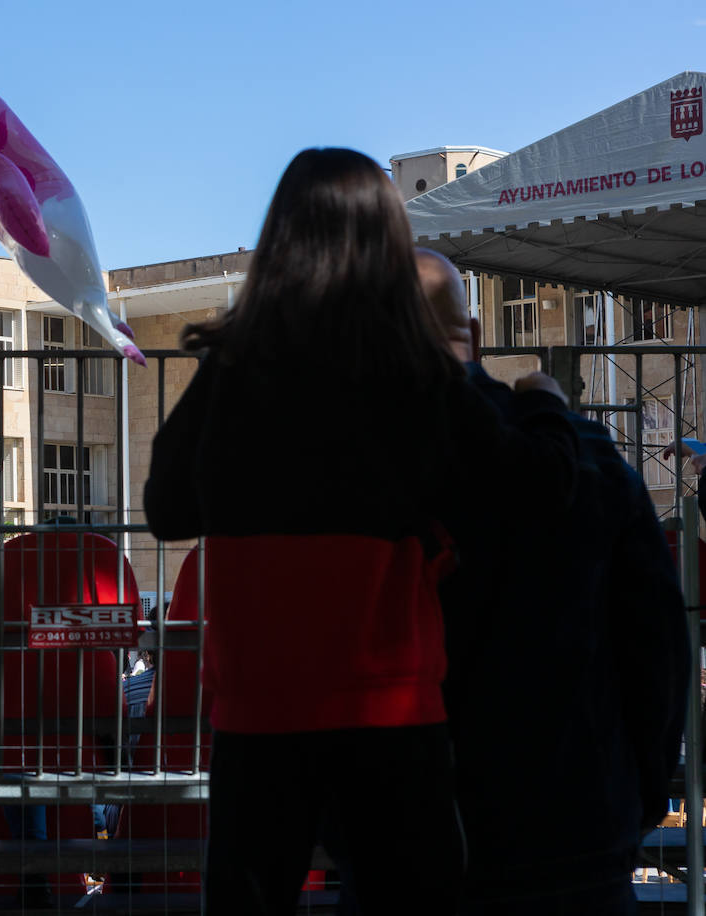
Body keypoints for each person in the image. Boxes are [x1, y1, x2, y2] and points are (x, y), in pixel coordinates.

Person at [143, 148, 581, 915]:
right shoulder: (414, 372)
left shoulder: (233, 369)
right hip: (390, 710)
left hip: (259, 706)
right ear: (387, 243)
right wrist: (543, 399)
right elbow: (538, 489)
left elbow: (167, 509)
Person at [416, 249, 687, 915]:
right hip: (580, 830)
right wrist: (638, 796)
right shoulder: (588, 457)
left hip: (415, 839)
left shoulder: (353, 480)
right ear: (473, 338)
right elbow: (657, 645)